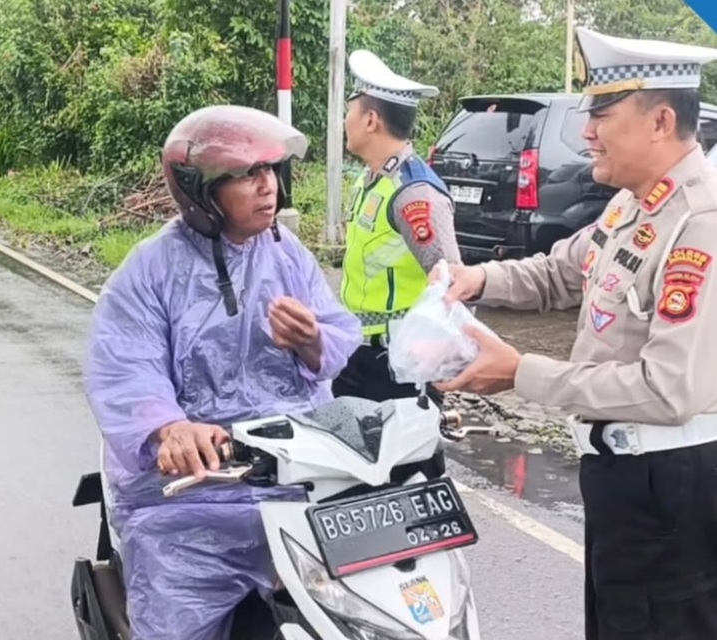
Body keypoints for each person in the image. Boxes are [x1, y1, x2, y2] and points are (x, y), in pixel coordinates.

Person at [434, 27, 717, 640]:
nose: (587, 131)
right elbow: (562, 271)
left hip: (671, 484)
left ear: (661, 120)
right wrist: (475, 277)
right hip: (621, 478)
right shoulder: (634, 205)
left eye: (602, 114)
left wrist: (520, 373)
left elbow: (669, 389)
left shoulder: (700, 223)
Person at [83, 104, 362, 640]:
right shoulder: (149, 272)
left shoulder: (288, 255)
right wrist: (171, 429)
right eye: (245, 175)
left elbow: (337, 335)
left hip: (292, 478)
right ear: (200, 191)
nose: (267, 188)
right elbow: (124, 367)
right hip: (191, 495)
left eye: (271, 172)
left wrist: (312, 342)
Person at [333, 49, 462, 405]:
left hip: (400, 363)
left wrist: (431, 362)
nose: (346, 120)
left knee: (400, 461)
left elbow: (452, 282)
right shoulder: (371, 178)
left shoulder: (414, 194)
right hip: (362, 352)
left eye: (350, 111)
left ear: (371, 120)